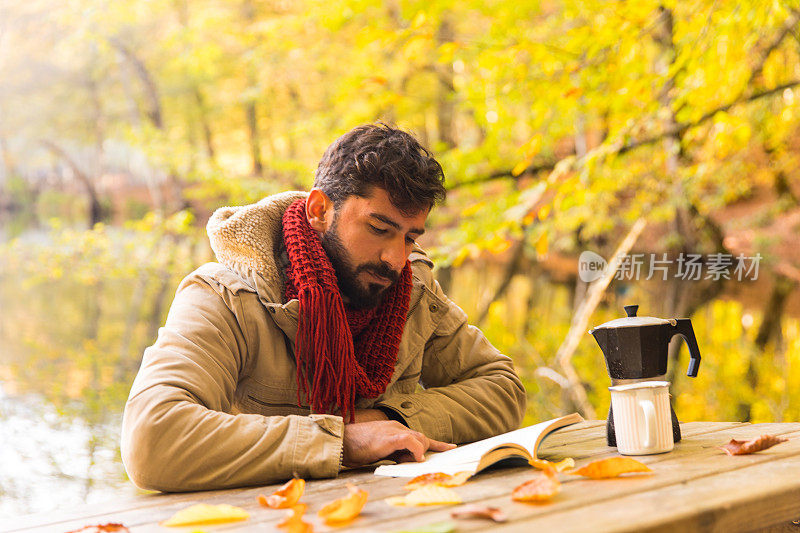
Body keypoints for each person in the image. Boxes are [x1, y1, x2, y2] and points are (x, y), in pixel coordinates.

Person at [121, 123, 526, 492]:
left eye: (410, 237)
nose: (395, 259)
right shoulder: (224, 297)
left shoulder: (412, 290)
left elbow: (502, 388)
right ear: (319, 211)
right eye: (380, 229)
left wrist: (395, 420)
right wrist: (340, 441)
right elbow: (151, 439)